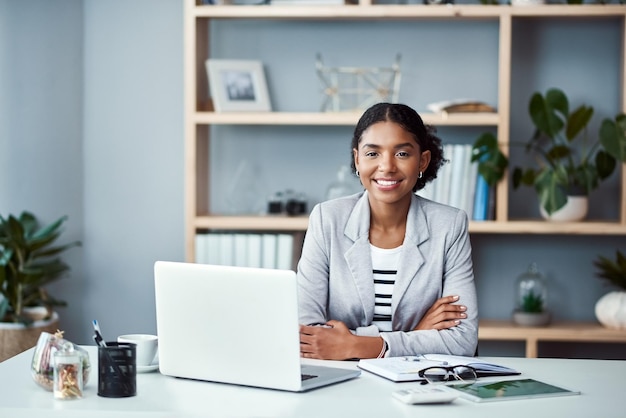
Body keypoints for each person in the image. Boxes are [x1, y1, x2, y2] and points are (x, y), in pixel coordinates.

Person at [297, 102, 478, 360]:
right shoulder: (327, 219)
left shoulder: (449, 225)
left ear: (422, 161)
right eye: (373, 154)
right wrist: (417, 333)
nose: (387, 166)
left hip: (417, 384)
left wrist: (357, 345)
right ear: (357, 159)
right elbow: (305, 335)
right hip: (342, 380)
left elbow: (462, 341)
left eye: (402, 154)